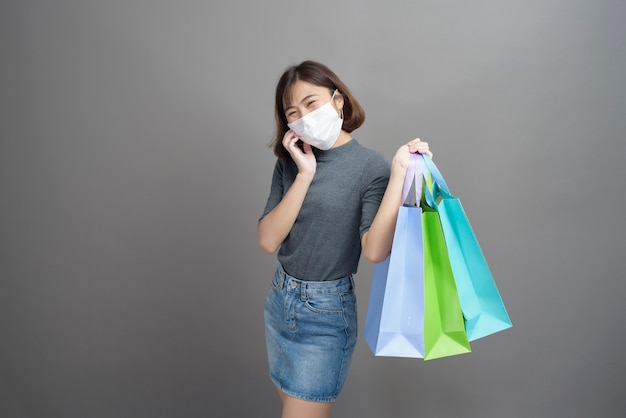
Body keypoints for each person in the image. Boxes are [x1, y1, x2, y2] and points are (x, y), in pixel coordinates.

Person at [257, 60, 432, 418]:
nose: (303, 116)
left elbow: (374, 250)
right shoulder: (291, 162)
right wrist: (305, 175)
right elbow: (268, 240)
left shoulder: (370, 167)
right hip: (281, 302)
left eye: (311, 103)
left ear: (338, 100)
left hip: (325, 315)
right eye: (293, 112)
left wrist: (398, 173)